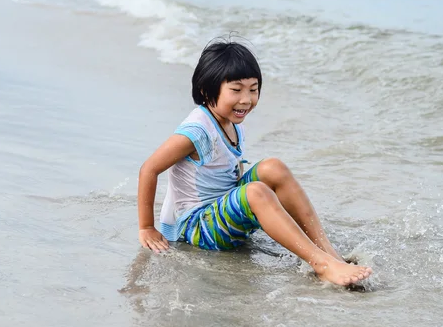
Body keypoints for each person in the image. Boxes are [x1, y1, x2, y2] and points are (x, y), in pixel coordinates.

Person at [137, 38, 372, 286]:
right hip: (197, 227)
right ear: (207, 90)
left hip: (221, 210)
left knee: (273, 167)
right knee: (256, 191)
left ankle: (328, 253)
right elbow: (149, 169)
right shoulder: (197, 131)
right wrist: (147, 227)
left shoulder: (232, 123)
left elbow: (230, 172)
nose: (246, 99)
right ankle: (322, 265)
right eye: (236, 90)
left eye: (253, 89)